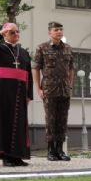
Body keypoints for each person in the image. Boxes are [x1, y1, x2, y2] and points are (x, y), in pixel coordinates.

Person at [0, 23, 33, 167]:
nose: (16, 34)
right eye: (12, 32)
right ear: (5, 34)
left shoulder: (23, 52)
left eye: (17, 32)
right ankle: (6, 156)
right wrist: (0, 32)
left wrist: (29, 94)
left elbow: (28, 74)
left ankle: (17, 156)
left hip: (20, 91)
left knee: (20, 125)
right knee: (6, 122)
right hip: (5, 92)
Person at [32, 21, 74, 161]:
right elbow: (36, 68)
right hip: (49, 89)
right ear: (50, 32)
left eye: (61, 29)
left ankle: (60, 150)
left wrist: (70, 85)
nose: (59, 32)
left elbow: (71, 69)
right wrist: (38, 88)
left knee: (62, 120)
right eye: (56, 30)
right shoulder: (42, 48)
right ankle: (50, 151)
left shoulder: (68, 48)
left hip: (64, 90)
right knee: (50, 120)